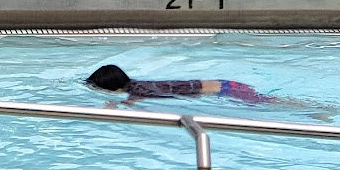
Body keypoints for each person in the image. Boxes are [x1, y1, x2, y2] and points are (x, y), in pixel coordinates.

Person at [86, 63, 271, 104]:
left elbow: (130, 103)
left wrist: (114, 105)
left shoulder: (139, 91)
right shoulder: (138, 85)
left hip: (228, 91)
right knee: (271, 101)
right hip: (227, 85)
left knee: (273, 103)